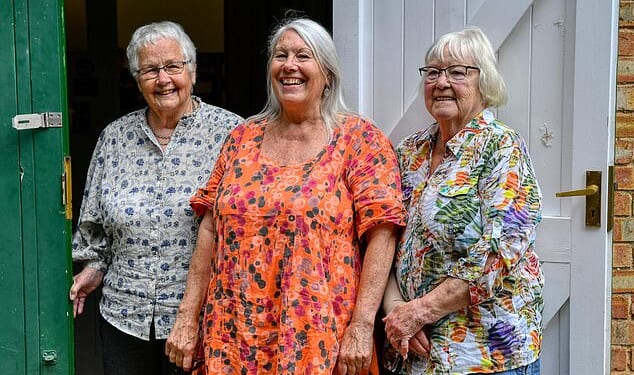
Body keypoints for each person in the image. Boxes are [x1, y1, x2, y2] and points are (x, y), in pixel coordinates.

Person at [165, 18, 406, 375]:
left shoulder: (358, 139)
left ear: (326, 71)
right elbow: (210, 230)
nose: (289, 65)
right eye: (281, 55)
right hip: (232, 333)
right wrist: (187, 317)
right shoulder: (242, 137)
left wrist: (362, 324)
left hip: (317, 336)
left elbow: (382, 233)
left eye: (303, 55)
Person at [68, 21, 243, 375]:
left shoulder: (232, 134)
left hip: (202, 318)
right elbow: (94, 222)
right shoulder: (114, 138)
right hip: (123, 316)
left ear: (192, 71)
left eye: (173, 67)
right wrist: (93, 266)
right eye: (150, 70)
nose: (163, 79)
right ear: (137, 80)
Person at [381, 26, 543, 375]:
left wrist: (419, 311)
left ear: (483, 83)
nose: (441, 82)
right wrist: (397, 309)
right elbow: (386, 239)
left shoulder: (500, 147)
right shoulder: (409, 152)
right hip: (415, 352)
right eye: (433, 72)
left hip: (483, 355)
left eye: (457, 72)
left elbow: (498, 254)